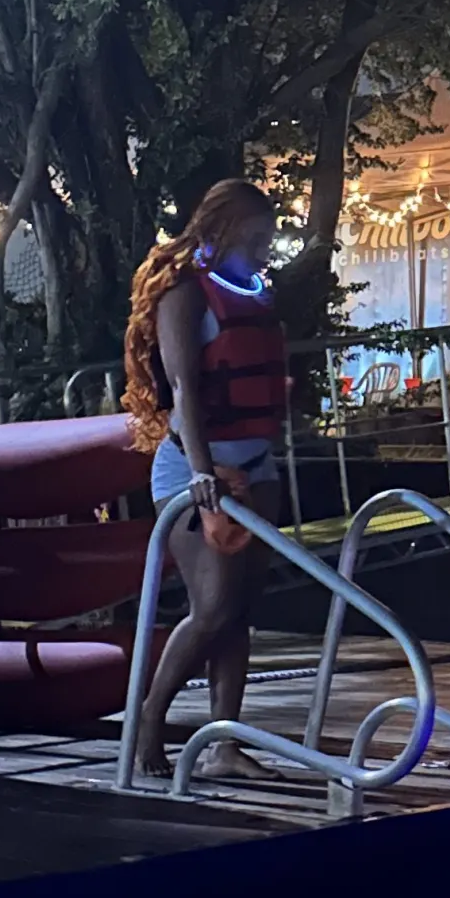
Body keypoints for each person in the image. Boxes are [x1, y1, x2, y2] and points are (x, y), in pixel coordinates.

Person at [119, 179, 287, 781]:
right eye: (260, 237)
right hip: (196, 468)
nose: (268, 248)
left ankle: (224, 740)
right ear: (226, 232)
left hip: (257, 465)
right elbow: (185, 391)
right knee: (212, 606)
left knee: (239, 609)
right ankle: (148, 718)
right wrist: (200, 473)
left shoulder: (256, 296)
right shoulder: (186, 296)